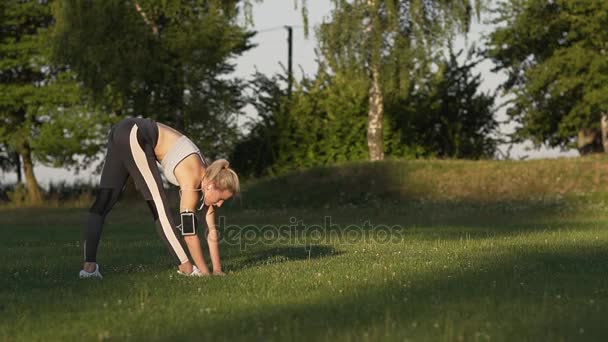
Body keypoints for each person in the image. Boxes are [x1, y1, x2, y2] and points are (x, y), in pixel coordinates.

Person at [78, 117, 239, 279]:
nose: (219, 204)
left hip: (120, 130)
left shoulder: (208, 176)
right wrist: (206, 274)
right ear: (211, 186)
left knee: (104, 200)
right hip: (136, 134)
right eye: (221, 199)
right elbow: (189, 234)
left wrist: (217, 269)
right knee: (159, 206)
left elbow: (211, 231)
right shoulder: (192, 178)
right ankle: (187, 268)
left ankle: (89, 269)